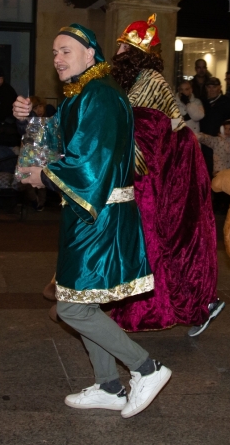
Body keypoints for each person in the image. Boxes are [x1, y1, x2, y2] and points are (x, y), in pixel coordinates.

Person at [13, 23, 170, 418]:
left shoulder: (98, 94)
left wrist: (44, 175)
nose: (58, 59)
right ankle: (109, 386)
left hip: (97, 215)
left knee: (72, 308)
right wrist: (29, 120)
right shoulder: (83, 94)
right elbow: (59, 142)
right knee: (82, 302)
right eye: (54, 52)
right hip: (89, 212)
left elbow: (90, 160)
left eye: (66, 50)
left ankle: (146, 368)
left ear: (90, 55)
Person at [109, 14, 223, 336]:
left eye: (122, 46)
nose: (116, 50)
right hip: (157, 170)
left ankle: (176, 306)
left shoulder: (150, 82)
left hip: (163, 173)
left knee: (167, 239)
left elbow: (145, 135)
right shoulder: (136, 81)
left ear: (136, 53)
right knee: (158, 239)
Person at [199, 77, 230, 177]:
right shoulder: (201, 102)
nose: (211, 89)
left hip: (221, 144)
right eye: (209, 87)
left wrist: (227, 134)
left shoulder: (228, 103)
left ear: (219, 87)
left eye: (214, 87)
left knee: (220, 175)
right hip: (204, 142)